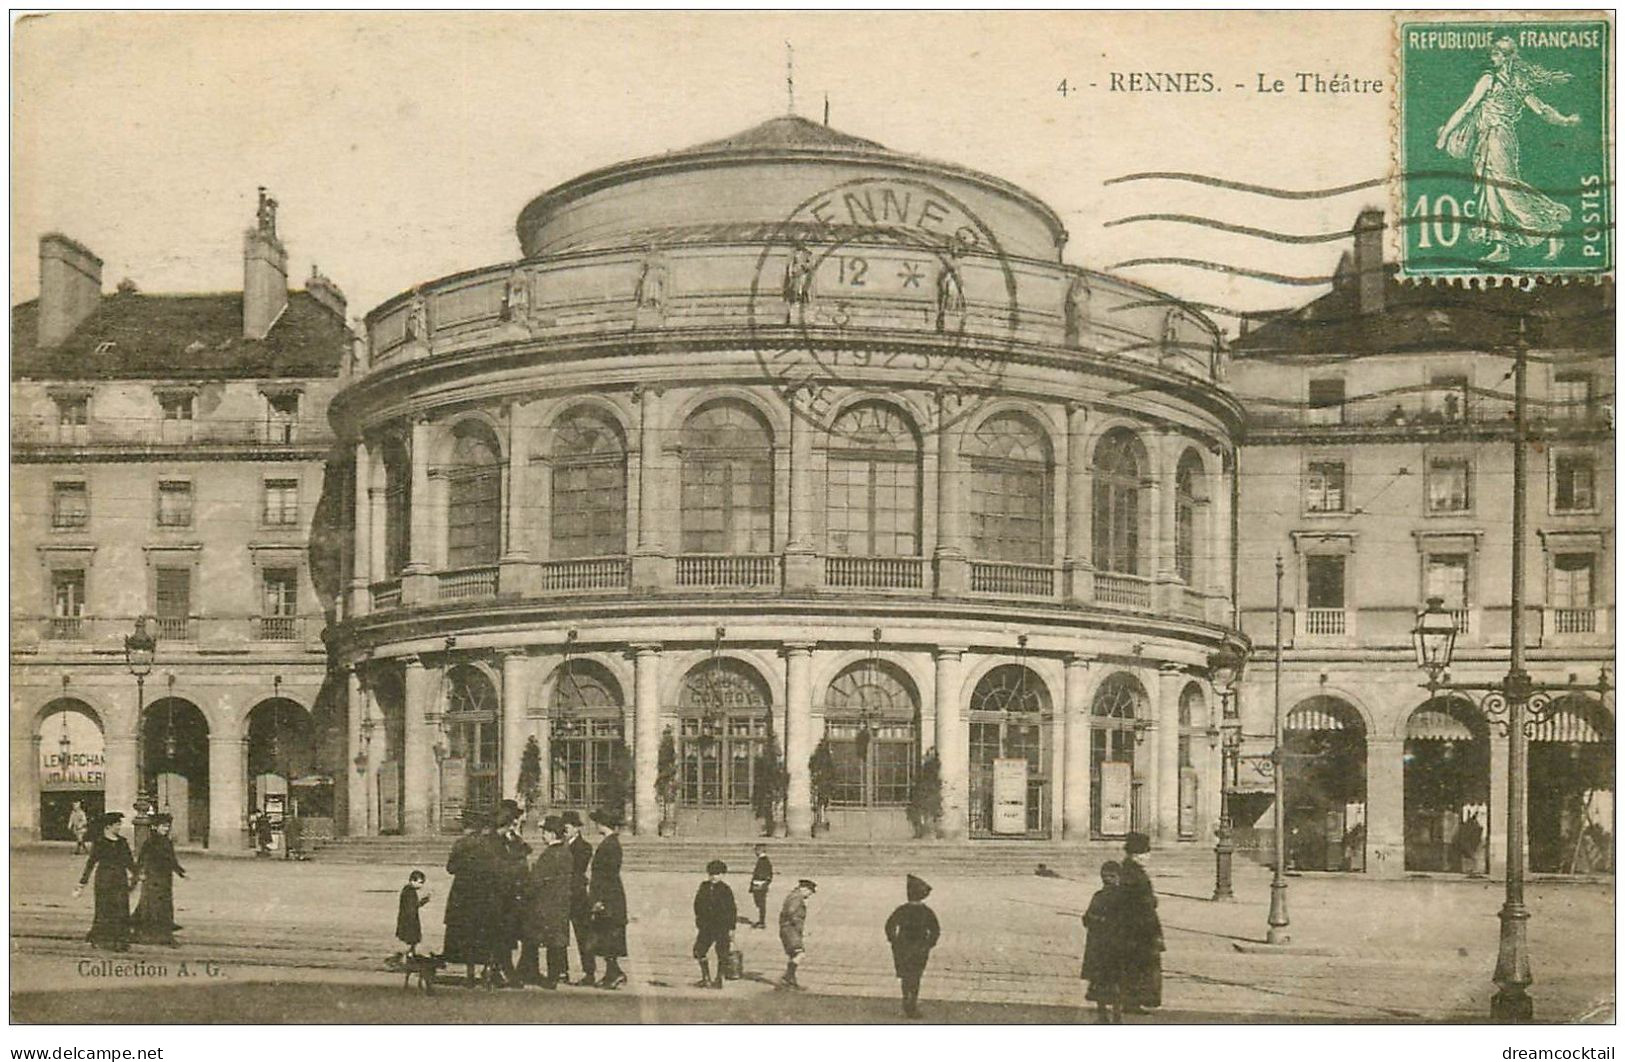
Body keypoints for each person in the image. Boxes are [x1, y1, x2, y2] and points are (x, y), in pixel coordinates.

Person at [1434, 37, 1580, 264]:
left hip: (1497, 137)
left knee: (1505, 188)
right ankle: (1501, 246)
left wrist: (1445, 134)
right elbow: (1542, 110)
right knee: (1492, 189)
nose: (1492, 58)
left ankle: (1550, 225)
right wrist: (1565, 121)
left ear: (1505, 57)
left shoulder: (1489, 79)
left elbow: (1467, 107)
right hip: (1494, 138)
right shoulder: (1518, 83)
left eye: (1496, 55)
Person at [443, 810, 501, 987]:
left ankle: (470, 974)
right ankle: (487, 972)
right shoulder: (490, 845)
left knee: (465, 934)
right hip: (484, 894)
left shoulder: (461, 844)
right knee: (483, 932)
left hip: (463, 895)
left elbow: (450, 868)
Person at [519, 815, 573, 988]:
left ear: (551, 834)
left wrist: (524, 891)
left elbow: (537, 881)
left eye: (544, 832)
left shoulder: (550, 855)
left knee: (539, 939)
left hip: (544, 905)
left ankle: (540, 976)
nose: (542, 835)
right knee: (555, 942)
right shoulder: (565, 852)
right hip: (560, 903)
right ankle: (552, 976)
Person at [1116, 833, 1164, 1015]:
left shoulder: (1130, 871)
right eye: (1146, 853)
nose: (1148, 857)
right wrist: (1151, 901)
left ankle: (1133, 1001)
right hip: (1139, 927)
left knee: (1136, 964)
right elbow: (1138, 901)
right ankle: (1133, 1001)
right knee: (1140, 964)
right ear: (1136, 854)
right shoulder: (1133, 874)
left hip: (1137, 925)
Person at [74, 812, 135, 951]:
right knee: (104, 909)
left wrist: (137, 873)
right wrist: (82, 882)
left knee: (121, 909)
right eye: (117, 824)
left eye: (119, 824)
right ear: (108, 827)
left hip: (120, 879)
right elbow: (91, 863)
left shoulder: (122, 842)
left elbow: (129, 862)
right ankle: (102, 939)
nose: (119, 827)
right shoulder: (100, 842)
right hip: (104, 879)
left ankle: (120, 940)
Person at [884, 874, 941, 1019]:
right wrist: (929, 943)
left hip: (903, 945)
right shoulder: (926, 911)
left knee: (906, 975)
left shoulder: (902, 909)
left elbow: (890, 925)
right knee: (916, 976)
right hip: (920, 946)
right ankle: (912, 1003)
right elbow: (935, 930)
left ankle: (906, 1000)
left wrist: (894, 940)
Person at [587, 808, 629, 989]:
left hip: (609, 898)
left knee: (608, 935)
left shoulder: (610, 845)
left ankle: (615, 973)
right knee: (606, 936)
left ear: (603, 824)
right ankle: (611, 973)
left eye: (598, 822)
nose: (596, 825)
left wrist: (600, 900)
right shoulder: (610, 842)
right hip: (610, 896)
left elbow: (607, 875)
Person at [131, 812, 186, 945]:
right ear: (155, 827)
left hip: (165, 876)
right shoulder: (150, 842)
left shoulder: (167, 842)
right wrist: (139, 874)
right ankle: (159, 934)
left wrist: (180, 871)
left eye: (167, 827)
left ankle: (144, 928)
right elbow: (142, 859)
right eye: (163, 826)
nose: (166, 829)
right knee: (153, 903)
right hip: (153, 876)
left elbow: (171, 859)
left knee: (162, 902)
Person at [492, 801, 530, 988]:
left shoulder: (514, 838)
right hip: (500, 895)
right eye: (514, 816)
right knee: (500, 935)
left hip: (514, 894)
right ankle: (500, 970)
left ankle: (506, 969)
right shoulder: (496, 840)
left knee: (509, 935)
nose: (517, 820)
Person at [1081, 861, 1124, 1024]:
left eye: (1110, 876)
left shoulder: (1105, 896)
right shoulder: (1106, 896)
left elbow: (1087, 919)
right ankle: (1109, 1016)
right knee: (1110, 983)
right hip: (1108, 947)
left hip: (1107, 948)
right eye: (1106, 876)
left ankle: (1110, 1016)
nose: (1108, 880)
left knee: (1106, 983)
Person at [561, 810, 597, 985]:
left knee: (583, 934)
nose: (564, 831)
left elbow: (577, 869)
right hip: (562, 895)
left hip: (577, 896)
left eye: (567, 827)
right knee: (560, 934)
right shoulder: (561, 845)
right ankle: (561, 971)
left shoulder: (584, 847)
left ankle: (589, 972)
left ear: (576, 828)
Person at [692, 859, 737, 989]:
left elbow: (732, 910)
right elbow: (697, 904)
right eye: (711, 874)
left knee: (722, 953)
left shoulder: (726, 889)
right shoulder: (704, 886)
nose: (713, 877)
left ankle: (718, 979)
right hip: (706, 926)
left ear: (722, 875)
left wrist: (731, 928)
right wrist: (699, 920)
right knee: (699, 950)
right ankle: (705, 977)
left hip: (721, 926)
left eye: (717, 874)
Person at [777, 878, 816, 991]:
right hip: (790, 930)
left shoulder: (794, 896)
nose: (810, 894)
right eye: (810, 891)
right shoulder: (796, 897)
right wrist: (799, 927)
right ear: (804, 888)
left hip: (789, 929)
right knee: (800, 954)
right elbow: (791, 912)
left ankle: (791, 981)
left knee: (793, 955)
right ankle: (787, 977)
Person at [396, 870, 431, 957]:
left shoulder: (408, 890)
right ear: (412, 880)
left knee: (412, 938)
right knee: (411, 937)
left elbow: (414, 906)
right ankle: (409, 954)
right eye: (420, 882)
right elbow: (413, 906)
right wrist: (423, 901)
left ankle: (410, 953)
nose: (421, 885)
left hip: (409, 918)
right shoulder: (409, 892)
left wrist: (423, 901)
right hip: (409, 919)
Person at [748, 844, 773, 930]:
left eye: (756, 850)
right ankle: (761, 920)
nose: (755, 852)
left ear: (760, 851)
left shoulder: (764, 861)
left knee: (761, 903)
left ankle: (762, 922)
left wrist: (764, 883)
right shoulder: (762, 860)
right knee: (758, 902)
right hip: (758, 884)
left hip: (760, 885)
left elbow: (768, 874)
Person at [1457, 811, 1485, 876]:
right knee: (1472, 857)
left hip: (1469, 843)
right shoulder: (1472, 825)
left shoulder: (1470, 825)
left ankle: (1470, 870)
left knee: (1470, 857)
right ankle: (1472, 870)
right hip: (1469, 843)